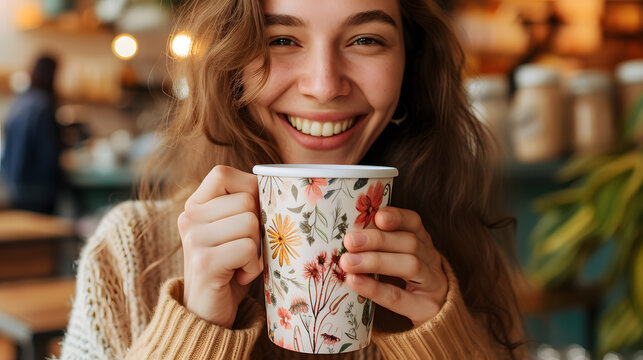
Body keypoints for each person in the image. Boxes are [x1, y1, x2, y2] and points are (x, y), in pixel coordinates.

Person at [60, 0, 526, 358]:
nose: (324, 85)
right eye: (281, 39)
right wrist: (197, 325)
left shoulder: (458, 253)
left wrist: (442, 337)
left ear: (411, 65)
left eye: (365, 40)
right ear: (231, 62)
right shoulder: (127, 252)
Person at [1, 55, 61, 214]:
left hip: (14, 185)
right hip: (37, 189)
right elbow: (48, 152)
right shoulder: (42, 104)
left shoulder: (20, 102)